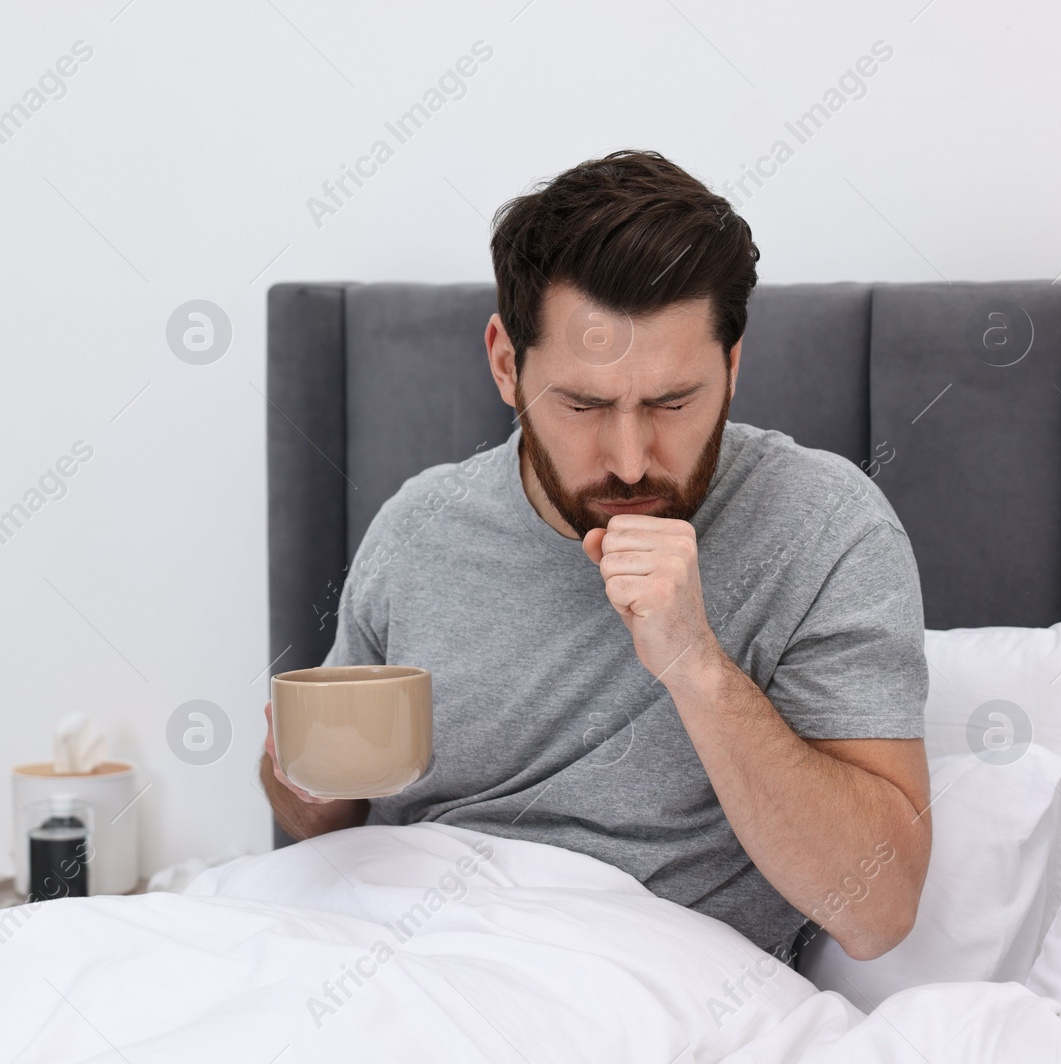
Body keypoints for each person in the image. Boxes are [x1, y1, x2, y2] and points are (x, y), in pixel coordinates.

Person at [260, 149, 931, 962]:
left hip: (632, 987)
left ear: (732, 364)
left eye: (673, 401)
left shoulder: (826, 529)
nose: (628, 457)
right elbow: (320, 822)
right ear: (507, 365)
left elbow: (879, 908)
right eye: (583, 403)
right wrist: (297, 776)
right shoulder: (419, 526)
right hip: (394, 957)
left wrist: (694, 662)